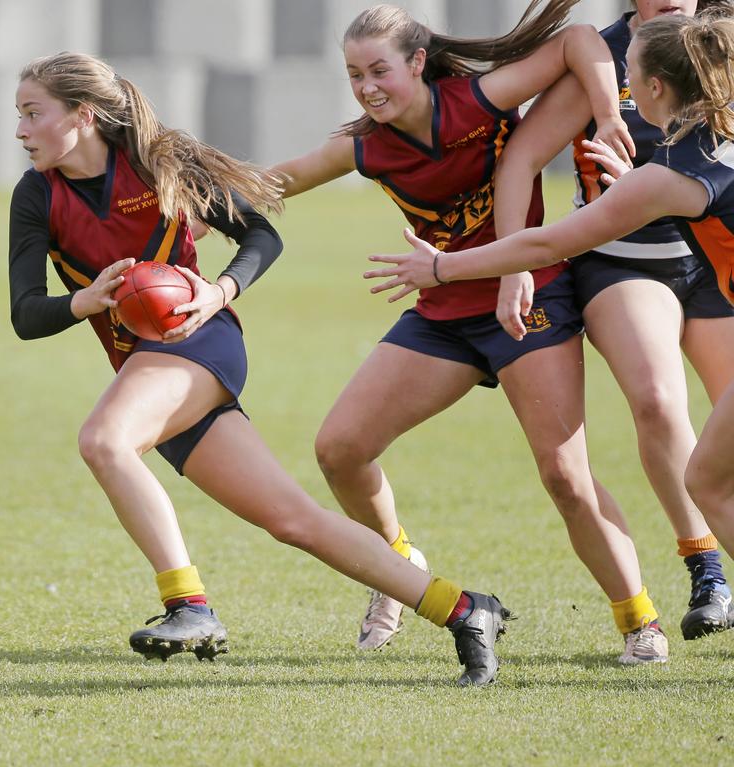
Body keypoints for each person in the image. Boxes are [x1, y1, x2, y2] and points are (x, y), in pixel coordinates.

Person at [9, 51, 511, 686]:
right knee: (294, 521)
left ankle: (189, 606)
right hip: (146, 367)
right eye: (18, 116)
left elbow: (260, 237)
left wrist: (219, 291)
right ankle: (465, 610)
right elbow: (25, 313)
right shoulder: (35, 196)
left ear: (82, 115)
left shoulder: (158, 163)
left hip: (202, 341)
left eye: (33, 113)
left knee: (105, 441)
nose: (21, 130)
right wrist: (84, 301)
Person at [269, 0, 671, 664]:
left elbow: (576, 38)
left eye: (380, 71)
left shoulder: (478, 100)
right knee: (340, 449)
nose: (368, 88)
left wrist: (606, 112)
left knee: (565, 477)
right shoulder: (367, 148)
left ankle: (640, 622)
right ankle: (397, 566)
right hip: (445, 314)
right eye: (354, 75)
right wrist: (189, 208)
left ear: (419, 63)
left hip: (531, 303)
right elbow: (276, 181)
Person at [368, 10, 734, 629]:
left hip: (660, 257)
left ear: (651, 91)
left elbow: (544, 246)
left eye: (629, 80)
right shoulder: (698, 146)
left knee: (711, 482)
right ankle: (706, 578)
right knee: (706, 474)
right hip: (634, 257)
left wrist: (442, 270)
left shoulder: (667, 178)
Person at [483, 0, 734, 642]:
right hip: (625, 264)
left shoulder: (720, 45)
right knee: (655, 400)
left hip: (709, 254)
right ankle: (706, 566)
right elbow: (519, 160)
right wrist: (514, 266)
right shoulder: (606, 55)